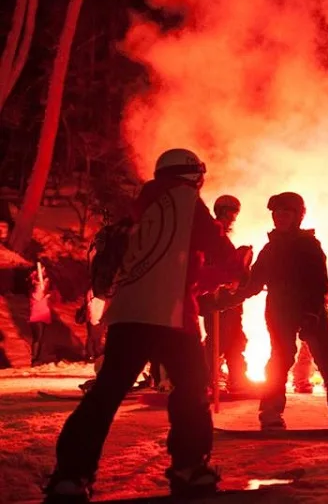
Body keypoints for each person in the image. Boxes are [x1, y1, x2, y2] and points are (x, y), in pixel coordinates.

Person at [44, 148, 243, 501]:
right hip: (170, 317)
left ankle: (71, 475)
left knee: (106, 395)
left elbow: (170, 267)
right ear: (194, 176)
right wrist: (236, 266)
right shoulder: (186, 201)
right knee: (193, 391)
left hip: (128, 314)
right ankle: (189, 467)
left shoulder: (140, 206)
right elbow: (220, 253)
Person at [235, 192, 328, 430]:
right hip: (279, 311)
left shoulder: (309, 245)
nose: (279, 217)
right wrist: (229, 297)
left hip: (309, 309)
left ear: (297, 216)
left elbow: (318, 283)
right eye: (276, 212)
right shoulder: (270, 249)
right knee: (280, 358)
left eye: (285, 212)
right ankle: (270, 411)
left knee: (326, 359)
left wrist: (312, 313)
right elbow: (254, 283)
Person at [200, 194, 251, 394]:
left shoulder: (220, 236)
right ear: (220, 211)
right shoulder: (211, 235)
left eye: (234, 215)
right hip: (214, 297)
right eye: (229, 214)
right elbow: (208, 264)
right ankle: (206, 378)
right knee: (217, 339)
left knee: (236, 337)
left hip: (229, 296)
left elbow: (232, 265)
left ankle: (237, 377)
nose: (231, 219)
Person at [29, 262, 51, 366]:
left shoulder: (40, 285)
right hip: (37, 316)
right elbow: (37, 298)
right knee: (38, 338)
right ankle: (35, 359)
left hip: (42, 314)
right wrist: (45, 296)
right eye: (42, 270)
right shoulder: (37, 286)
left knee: (39, 338)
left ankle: (38, 358)